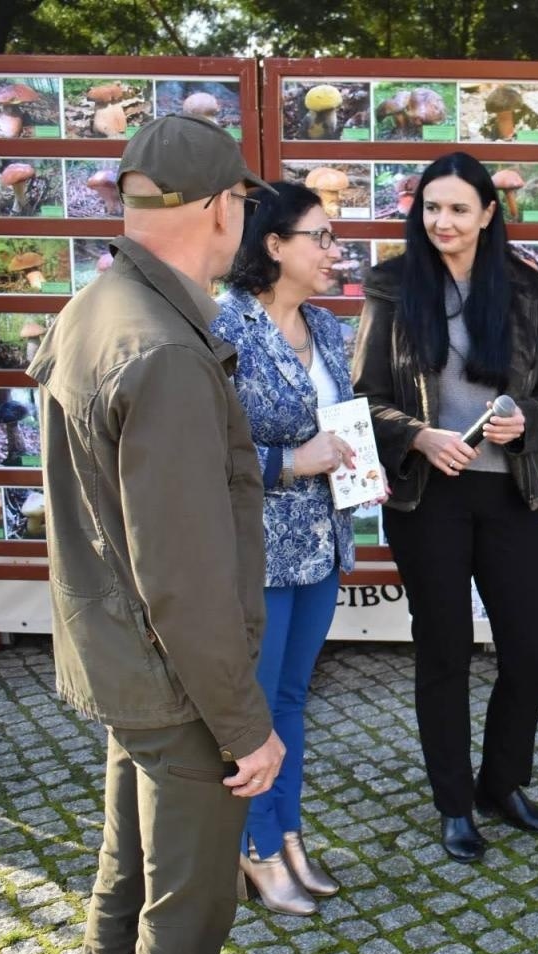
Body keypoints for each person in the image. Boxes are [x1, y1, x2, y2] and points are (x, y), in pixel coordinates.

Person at [28, 115, 283, 954]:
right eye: (244, 204)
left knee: (126, 875)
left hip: (124, 660)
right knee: (189, 905)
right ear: (221, 207)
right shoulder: (165, 350)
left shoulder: (101, 304)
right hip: (176, 681)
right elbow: (184, 578)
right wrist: (244, 724)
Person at [351, 151, 538, 864]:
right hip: (428, 497)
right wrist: (417, 434)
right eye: (432, 208)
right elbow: (365, 400)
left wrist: (525, 425)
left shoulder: (524, 290)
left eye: (457, 208)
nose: (442, 221)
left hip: (510, 491)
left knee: (534, 649)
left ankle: (501, 782)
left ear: (487, 214)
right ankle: (454, 803)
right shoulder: (390, 286)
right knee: (443, 653)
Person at [211, 181, 364, 916]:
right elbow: (205, 450)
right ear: (274, 245)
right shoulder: (224, 329)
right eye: (322, 237)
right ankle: (256, 847)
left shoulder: (328, 327)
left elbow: (342, 421)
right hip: (257, 551)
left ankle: (290, 836)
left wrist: (363, 472)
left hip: (324, 543)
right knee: (258, 708)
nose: (334, 252)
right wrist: (289, 464)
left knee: (295, 700)